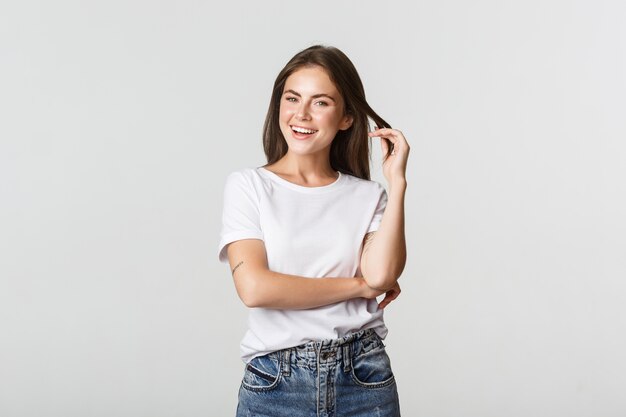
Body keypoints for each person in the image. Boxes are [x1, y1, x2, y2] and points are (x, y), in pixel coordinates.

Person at [218, 44, 409, 416]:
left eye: (320, 102)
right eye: (292, 98)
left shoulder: (369, 195)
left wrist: (397, 183)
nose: (301, 114)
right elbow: (255, 289)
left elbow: (383, 275)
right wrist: (359, 287)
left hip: (363, 376)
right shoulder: (249, 186)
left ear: (346, 118)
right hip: (276, 383)